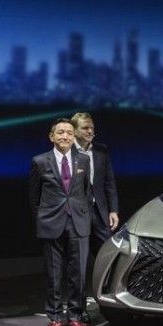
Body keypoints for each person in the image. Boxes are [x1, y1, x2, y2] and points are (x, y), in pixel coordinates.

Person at [29, 117, 93, 326]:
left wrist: (84, 215)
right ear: (52, 136)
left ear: (73, 137)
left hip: (78, 223)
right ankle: (55, 318)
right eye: (60, 132)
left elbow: (86, 192)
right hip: (51, 223)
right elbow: (34, 196)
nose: (65, 136)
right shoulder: (40, 161)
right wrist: (42, 218)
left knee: (79, 274)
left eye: (69, 133)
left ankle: (75, 317)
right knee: (54, 274)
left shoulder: (83, 160)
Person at [71, 112, 119, 299]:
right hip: (77, 213)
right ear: (75, 130)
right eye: (85, 128)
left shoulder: (101, 150)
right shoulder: (67, 152)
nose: (90, 131)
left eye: (92, 128)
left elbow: (109, 181)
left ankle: (108, 295)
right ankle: (79, 302)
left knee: (108, 254)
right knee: (79, 259)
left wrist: (113, 210)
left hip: (99, 211)